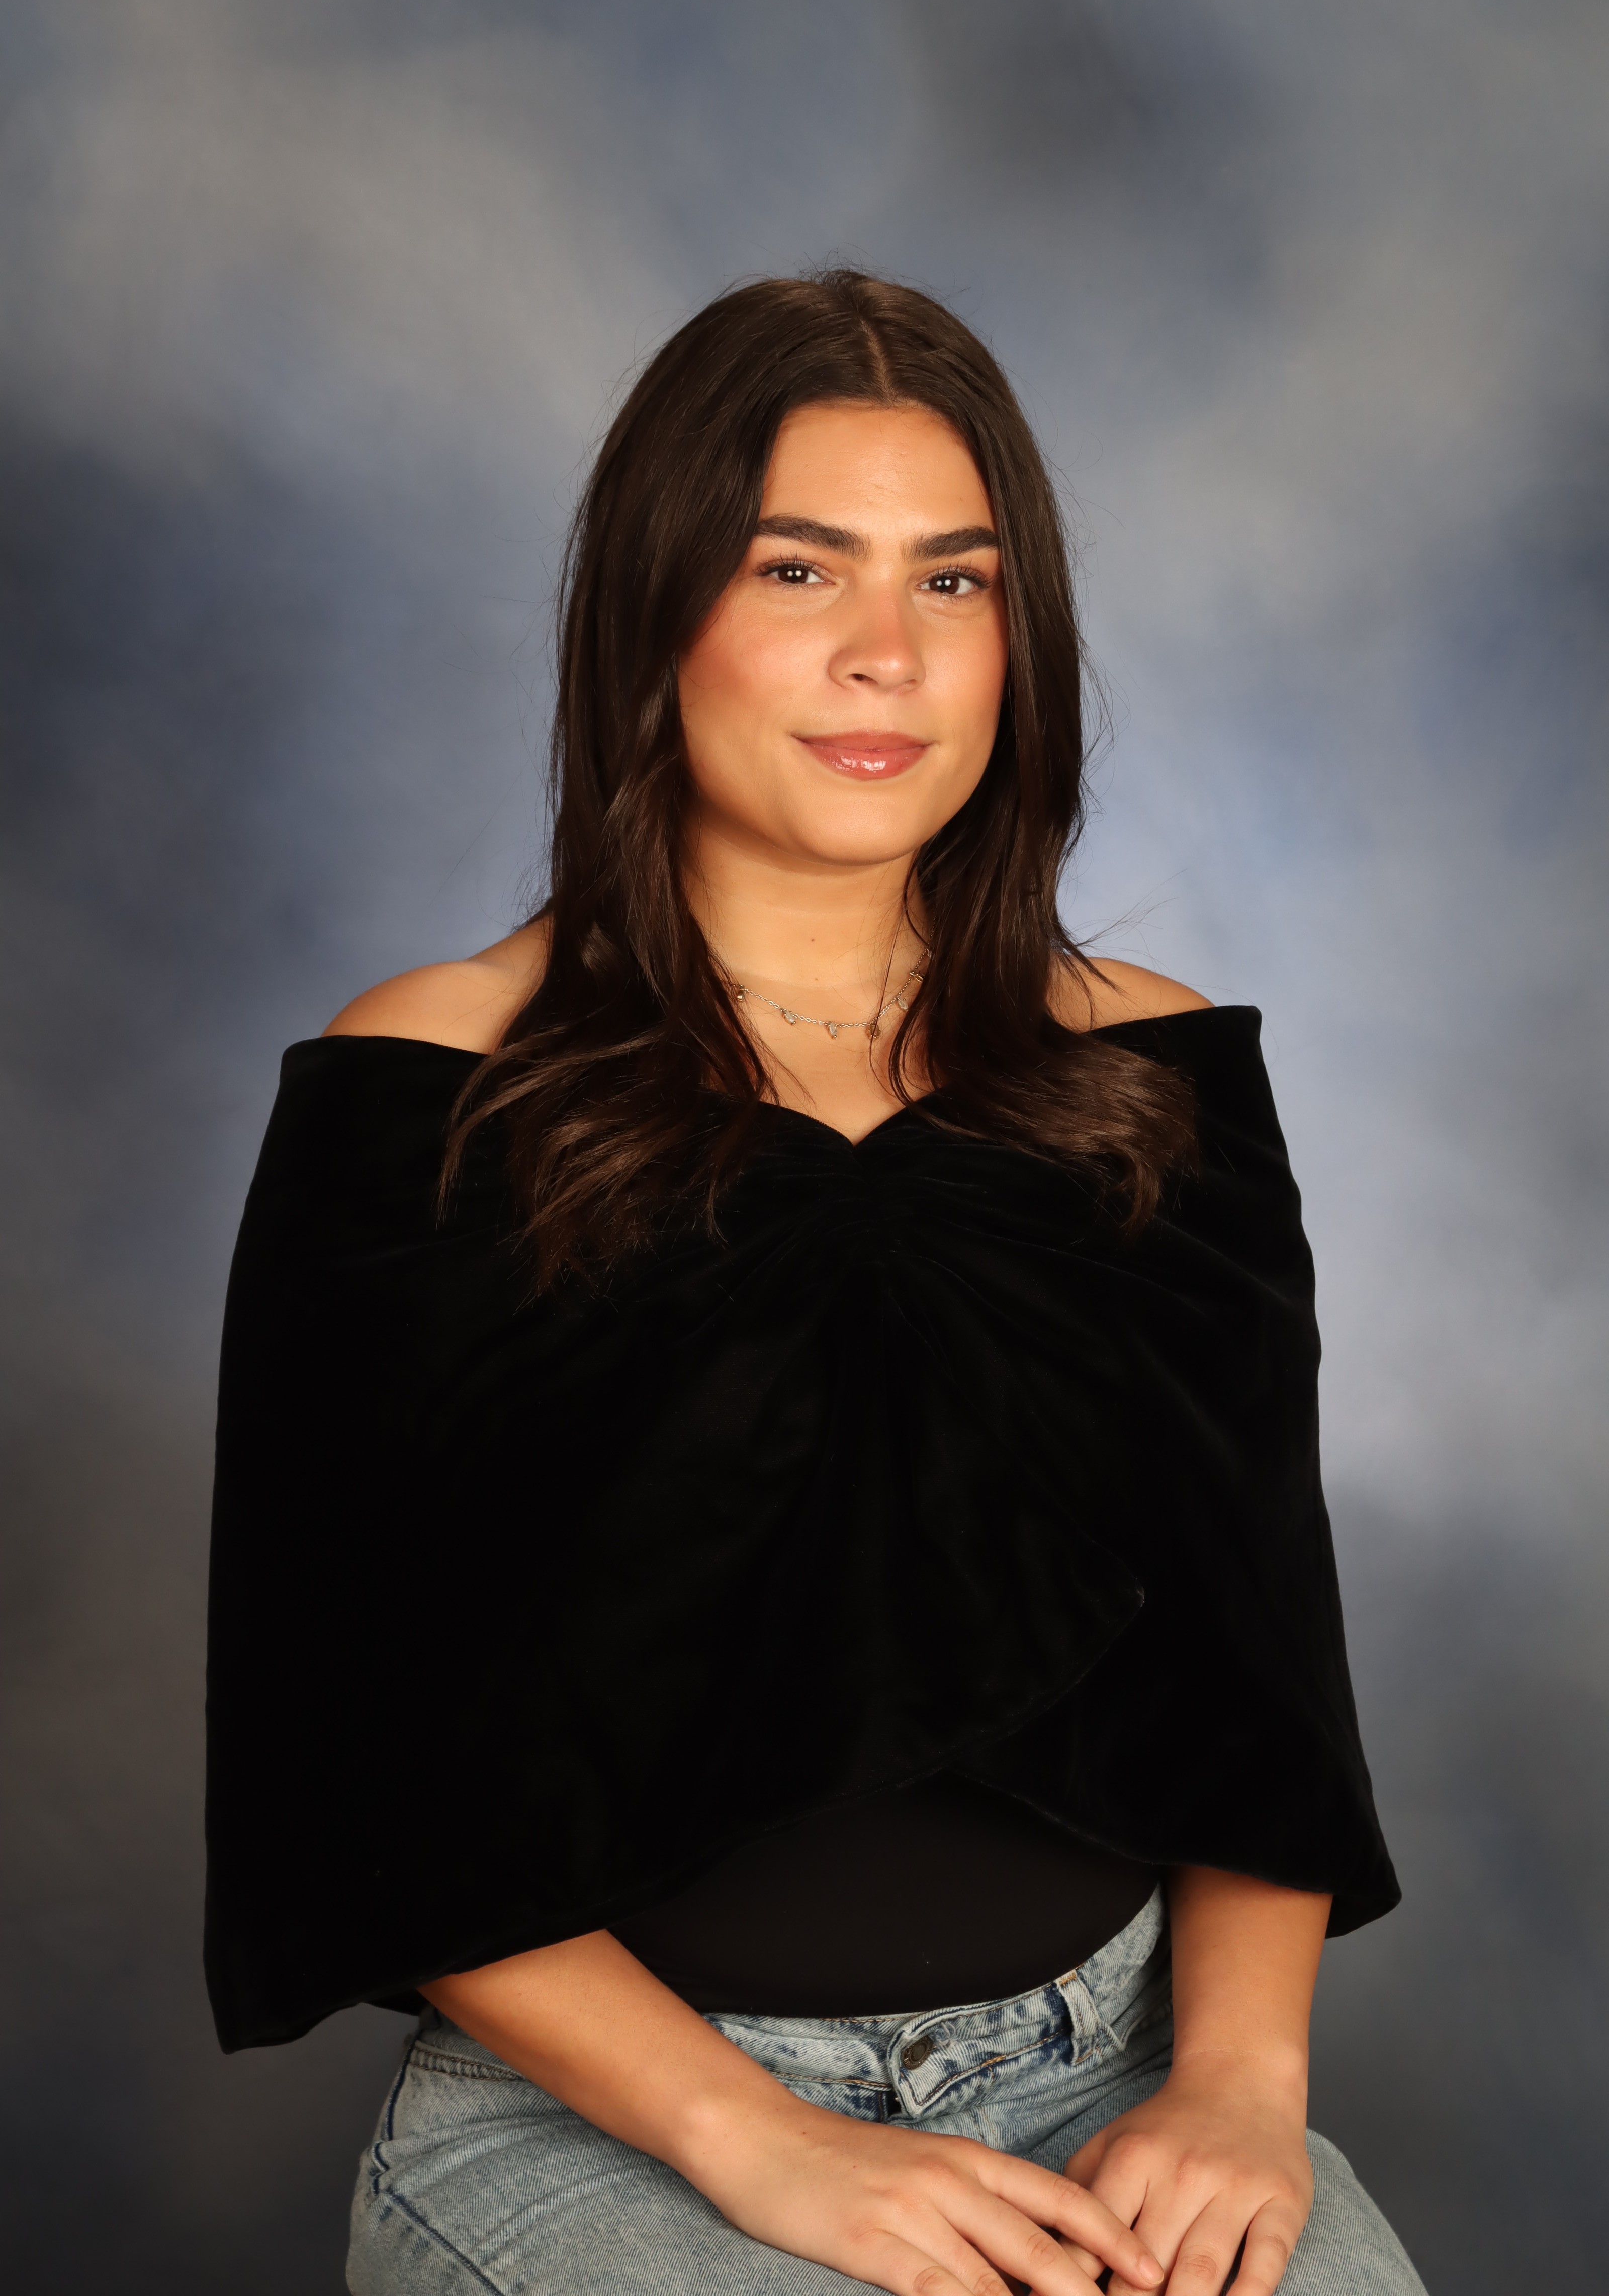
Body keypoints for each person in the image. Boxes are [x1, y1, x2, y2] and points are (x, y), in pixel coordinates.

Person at [205, 271, 1428, 2296]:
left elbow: (1260, 1679)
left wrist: (1238, 2084)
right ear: (653, 616)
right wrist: (764, 2150)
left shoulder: (1151, 1074)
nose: (889, 655)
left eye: (954, 582)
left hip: (1113, 2072)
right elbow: (351, 1763)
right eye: (799, 570)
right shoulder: (432, 1086)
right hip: (617, 2125)